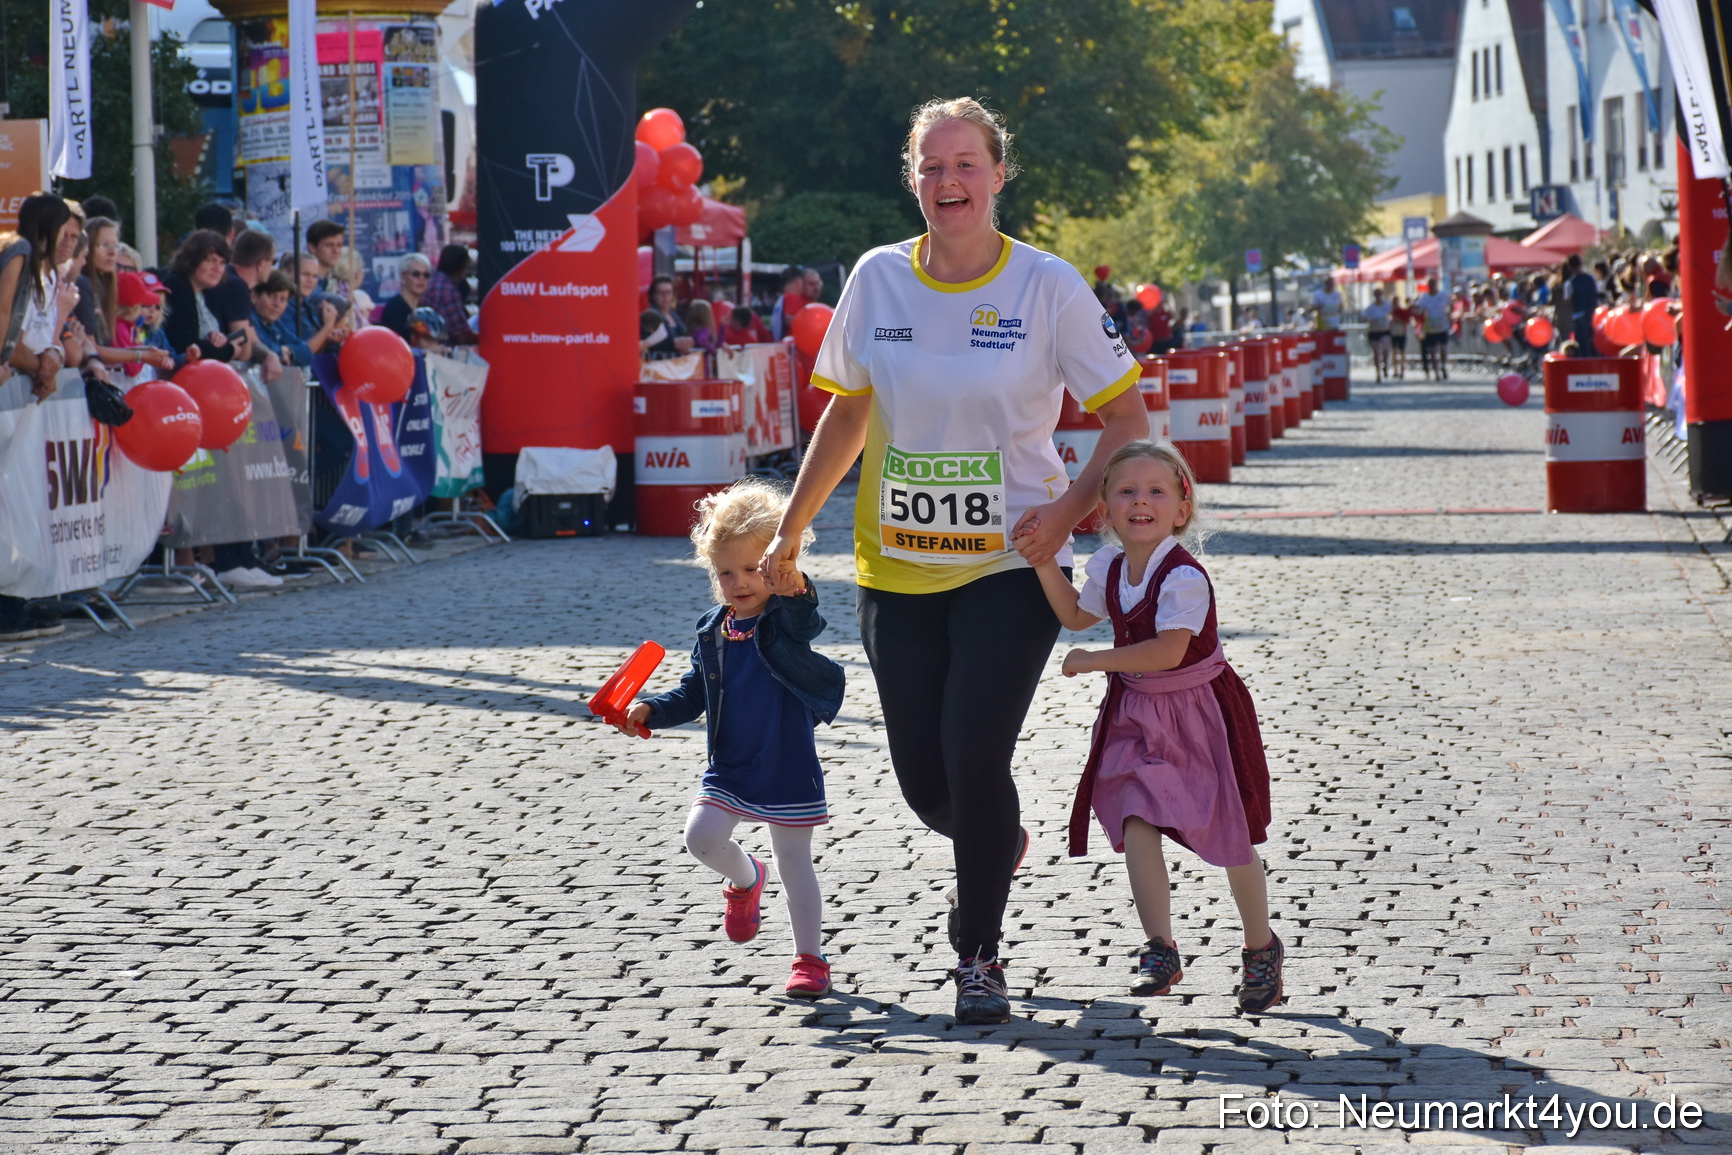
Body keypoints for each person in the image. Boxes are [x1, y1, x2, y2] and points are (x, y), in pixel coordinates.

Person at [758, 96, 1150, 1025]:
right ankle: (995, 837)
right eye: (931, 168)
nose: (949, 182)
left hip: (1011, 565)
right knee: (926, 780)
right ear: (913, 180)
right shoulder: (878, 279)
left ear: (998, 175)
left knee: (976, 750)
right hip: (895, 565)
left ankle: (978, 954)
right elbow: (846, 414)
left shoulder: (1047, 287)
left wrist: (1067, 508)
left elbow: (1125, 420)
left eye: (966, 164)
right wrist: (789, 528)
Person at [1030, 440, 1279, 1011]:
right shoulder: (1111, 567)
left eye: (1156, 491)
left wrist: (1094, 661)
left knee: (1228, 834)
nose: (1141, 502)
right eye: (1126, 492)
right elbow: (1075, 614)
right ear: (1107, 510)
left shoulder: (1182, 577)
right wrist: (1043, 559)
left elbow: (1168, 652)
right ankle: (1160, 948)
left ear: (1180, 508)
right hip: (1138, 714)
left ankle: (1260, 946)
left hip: (1198, 713)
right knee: (1135, 816)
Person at [617, 480, 846, 999]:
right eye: (725, 572)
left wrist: (793, 582)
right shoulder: (712, 628)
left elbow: (807, 615)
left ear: (775, 565)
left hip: (787, 762)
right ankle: (746, 879)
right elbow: (695, 690)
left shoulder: (784, 618)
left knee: (796, 863)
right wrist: (652, 709)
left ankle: (810, 958)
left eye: (751, 569)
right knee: (700, 838)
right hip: (731, 764)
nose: (739, 582)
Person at [161, 230, 239, 362]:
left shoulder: (207, 292)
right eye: (210, 260)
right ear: (192, 260)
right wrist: (230, 350)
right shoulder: (178, 286)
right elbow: (186, 345)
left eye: (222, 263)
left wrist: (217, 338)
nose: (217, 268)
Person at [251, 271, 315, 368]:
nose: (277, 304)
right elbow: (262, 346)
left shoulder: (275, 324)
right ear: (254, 296)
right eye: (272, 296)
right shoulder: (249, 319)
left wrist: (287, 350)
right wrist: (280, 352)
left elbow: (307, 352)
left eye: (283, 299)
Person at [424, 244, 478, 346]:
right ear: (462, 268)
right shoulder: (449, 291)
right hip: (441, 349)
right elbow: (462, 335)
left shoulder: (430, 279)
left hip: (424, 343)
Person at [379, 253, 433, 342]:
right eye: (416, 274)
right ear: (402, 277)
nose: (421, 278)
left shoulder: (425, 308)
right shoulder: (393, 309)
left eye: (426, 275)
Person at [644, 274, 693, 359]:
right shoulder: (649, 316)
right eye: (660, 293)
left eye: (668, 292)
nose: (665, 296)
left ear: (673, 295)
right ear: (653, 295)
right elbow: (647, 343)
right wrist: (673, 344)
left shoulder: (674, 315)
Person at [1414, 276, 1451, 380]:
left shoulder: (1443, 295)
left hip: (1442, 327)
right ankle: (1436, 373)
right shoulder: (1424, 298)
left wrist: (1449, 315)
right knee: (1433, 351)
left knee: (1443, 349)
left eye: (1433, 283)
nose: (1432, 286)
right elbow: (1419, 312)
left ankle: (1443, 365)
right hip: (1430, 328)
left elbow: (1451, 305)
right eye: (1430, 284)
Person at [1563, 254, 1598, 354]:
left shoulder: (1569, 283)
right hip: (1593, 315)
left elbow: (1568, 302)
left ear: (1569, 266)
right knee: (1594, 344)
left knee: (1582, 346)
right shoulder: (1591, 279)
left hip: (1578, 317)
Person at [307, 220, 348, 298]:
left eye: (339, 245)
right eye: (329, 245)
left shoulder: (328, 281)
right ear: (312, 247)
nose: (336, 251)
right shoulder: (307, 284)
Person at [770, 267, 807, 340]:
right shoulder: (792, 297)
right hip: (792, 344)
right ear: (798, 281)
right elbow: (789, 319)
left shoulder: (781, 299)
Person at [1363, 287, 1392, 383]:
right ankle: (1378, 373)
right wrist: (1369, 319)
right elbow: (1364, 316)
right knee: (1376, 352)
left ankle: (1385, 366)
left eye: (1380, 294)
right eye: (1377, 294)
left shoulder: (1387, 305)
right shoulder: (1371, 307)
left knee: (1386, 350)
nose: (1378, 296)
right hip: (1374, 331)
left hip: (1385, 331)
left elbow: (1393, 313)